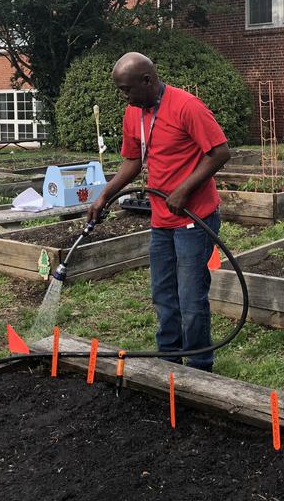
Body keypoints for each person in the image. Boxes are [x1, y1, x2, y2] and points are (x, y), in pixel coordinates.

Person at [88, 52, 231, 372]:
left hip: (195, 217)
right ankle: (169, 360)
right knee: (163, 293)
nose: (123, 96)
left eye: (126, 89)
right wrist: (104, 197)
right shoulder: (133, 113)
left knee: (191, 297)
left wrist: (184, 189)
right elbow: (132, 162)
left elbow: (220, 152)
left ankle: (198, 367)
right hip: (161, 219)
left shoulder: (186, 106)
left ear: (147, 80)